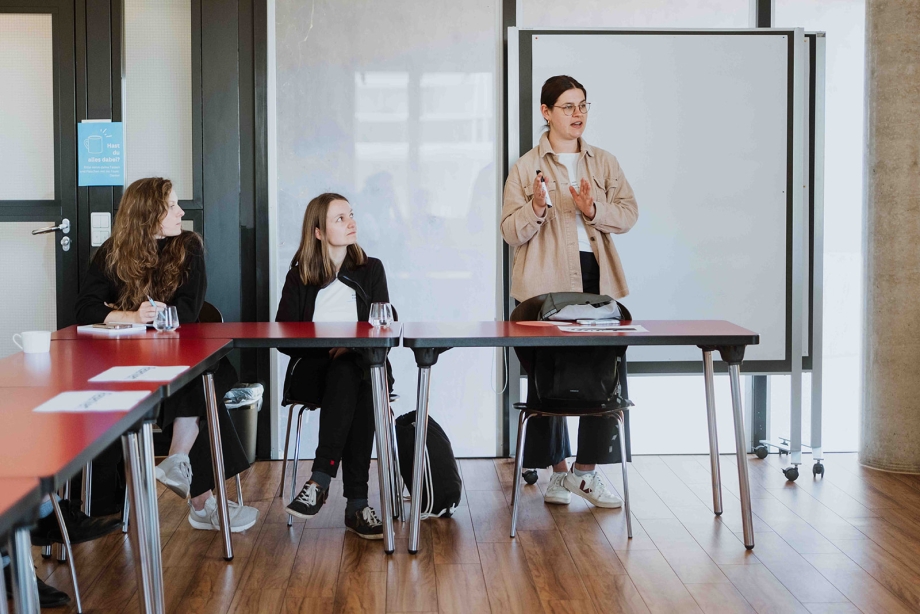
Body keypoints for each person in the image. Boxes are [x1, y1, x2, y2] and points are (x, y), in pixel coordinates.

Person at [74, 177, 259, 532]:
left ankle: (180, 463)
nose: (181, 211)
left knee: (203, 376)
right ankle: (202, 501)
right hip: (129, 362)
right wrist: (132, 316)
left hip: (179, 353)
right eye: (172, 206)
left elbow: (188, 312)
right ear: (148, 214)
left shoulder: (188, 247)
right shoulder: (113, 252)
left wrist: (140, 313)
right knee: (207, 382)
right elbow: (84, 309)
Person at [501, 75, 639, 509]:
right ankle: (558, 475)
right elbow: (509, 231)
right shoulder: (526, 167)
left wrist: (592, 209)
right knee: (547, 382)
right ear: (546, 112)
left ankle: (585, 473)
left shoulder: (604, 163)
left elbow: (629, 213)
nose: (577, 114)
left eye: (583, 106)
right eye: (567, 107)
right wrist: (538, 208)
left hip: (596, 283)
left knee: (602, 378)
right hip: (542, 288)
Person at [276, 192, 391, 540]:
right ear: (318, 232)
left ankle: (320, 479)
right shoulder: (300, 276)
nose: (351, 222)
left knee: (357, 371)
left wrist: (352, 346)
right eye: (340, 218)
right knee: (353, 375)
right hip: (315, 374)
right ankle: (357, 504)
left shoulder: (371, 269)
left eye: (351, 215)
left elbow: (385, 323)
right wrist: (331, 349)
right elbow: (283, 335)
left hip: (364, 367)